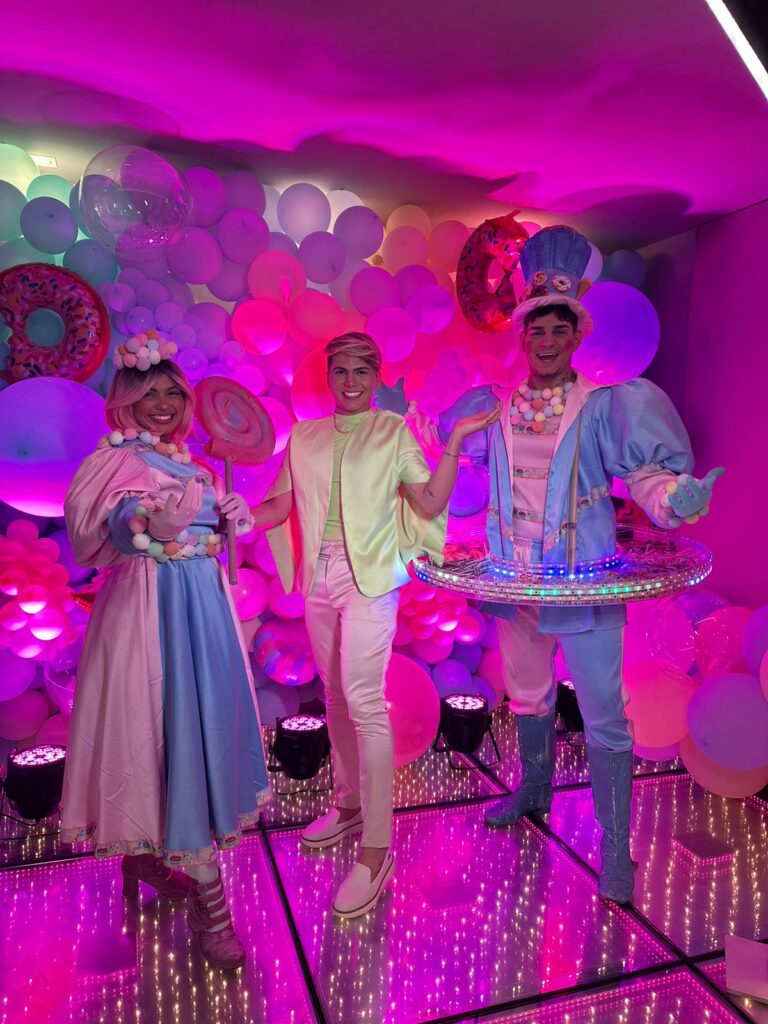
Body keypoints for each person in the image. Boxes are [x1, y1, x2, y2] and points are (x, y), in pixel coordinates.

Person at [447, 226, 722, 904]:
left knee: (603, 715)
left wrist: (672, 497)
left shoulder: (604, 407)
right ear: (524, 337)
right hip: (516, 579)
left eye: (558, 330)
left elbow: (647, 477)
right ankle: (533, 790)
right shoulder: (495, 408)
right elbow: (452, 465)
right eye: (536, 330)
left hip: (584, 582)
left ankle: (615, 848)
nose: (546, 341)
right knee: (528, 695)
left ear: (575, 337)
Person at [250, 332, 497, 918]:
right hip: (319, 577)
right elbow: (279, 505)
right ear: (328, 376)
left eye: (362, 371)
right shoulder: (305, 436)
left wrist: (454, 442)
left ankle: (377, 849)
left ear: (376, 376)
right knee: (335, 695)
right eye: (341, 371)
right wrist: (235, 517)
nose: (351, 382)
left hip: (372, 580)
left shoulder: (392, 432)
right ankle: (348, 804)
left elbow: (429, 504)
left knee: (364, 701)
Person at [61, 333, 270, 970]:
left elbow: (207, 536)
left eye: (172, 394)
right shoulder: (113, 460)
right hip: (151, 614)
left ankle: (149, 858)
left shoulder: (191, 462)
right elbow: (107, 527)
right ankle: (212, 908)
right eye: (148, 393)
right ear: (124, 398)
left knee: (196, 736)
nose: (162, 405)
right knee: (156, 731)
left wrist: (229, 517)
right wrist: (146, 523)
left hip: (203, 612)